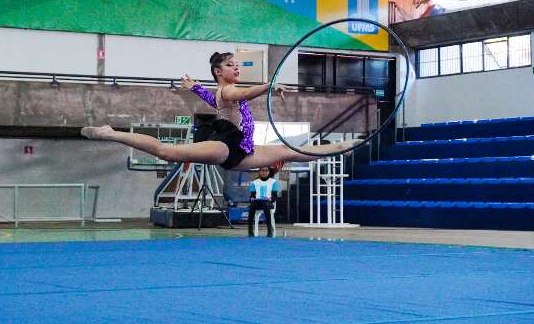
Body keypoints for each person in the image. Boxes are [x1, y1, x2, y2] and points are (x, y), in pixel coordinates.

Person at [81, 52, 361, 171]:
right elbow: (241, 94)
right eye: (231, 65)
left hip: (244, 149)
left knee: (293, 153)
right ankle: (112, 133)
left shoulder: (220, 94)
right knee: (168, 152)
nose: (237, 68)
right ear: (219, 72)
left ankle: (345, 145)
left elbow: (214, 101)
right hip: (226, 145)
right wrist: (269, 85)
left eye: (238, 65)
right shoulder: (228, 91)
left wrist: (195, 89)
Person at [248, 166, 278, 237]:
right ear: (259, 171)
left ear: (269, 172)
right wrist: (252, 198)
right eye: (262, 170)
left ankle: (270, 229)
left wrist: (271, 199)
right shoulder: (255, 182)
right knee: (252, 205)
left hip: (268, 202)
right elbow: (252, 196)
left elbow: (275, 196)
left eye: (266, 170)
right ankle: (250, 230)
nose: (264, 172)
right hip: (258, 202)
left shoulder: (273, 182)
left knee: (265, 204)